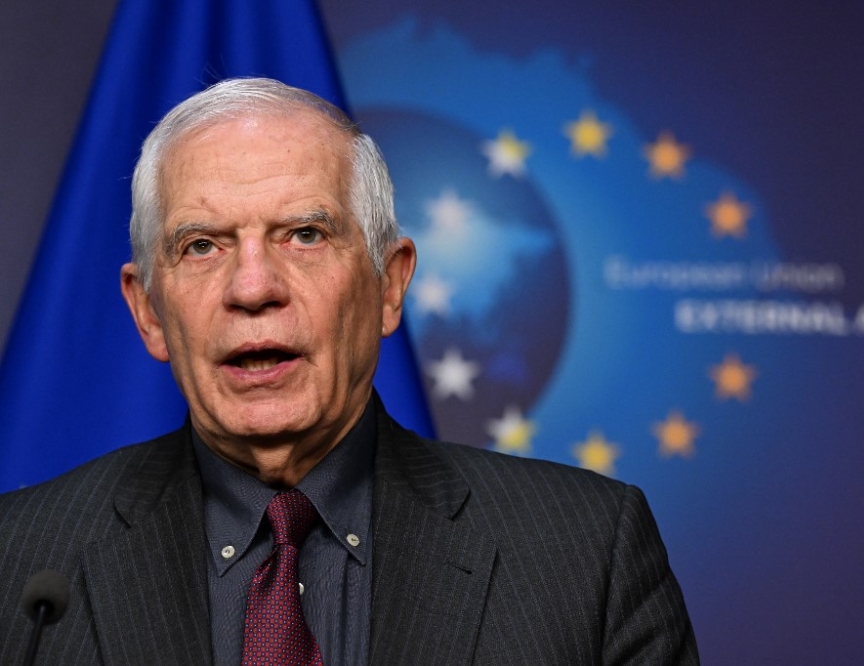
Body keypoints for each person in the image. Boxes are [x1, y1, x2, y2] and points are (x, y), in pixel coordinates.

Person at [0, 78, 698, 665]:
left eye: (305, 234)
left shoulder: (585, 554)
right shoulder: (20, 564)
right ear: (149, 311)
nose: (252, 287)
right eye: (203, 245)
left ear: (388, 287)